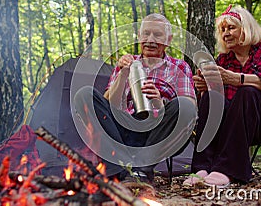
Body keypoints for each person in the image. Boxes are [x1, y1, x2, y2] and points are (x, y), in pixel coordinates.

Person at [74, 13, 197, 183]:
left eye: (158, 35)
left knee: (184, 105)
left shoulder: (179, 67)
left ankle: (141, 168)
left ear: (168, 40)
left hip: (158, 131)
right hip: (123, 128)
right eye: (146, 33)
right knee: (85, 94)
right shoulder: (128, 63)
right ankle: (121, 167)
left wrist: (160, 103)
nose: (150, 39)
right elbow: (108, 103)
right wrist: (123, 74)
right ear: (139, 37)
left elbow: (190, 106)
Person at [183, 5, 261, 186]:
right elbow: (219, 109)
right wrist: (205, 88)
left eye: (231, 28)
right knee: (212, 98)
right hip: (237, 126)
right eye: (223, 30)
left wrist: (236, 79)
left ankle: (228, 170)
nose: (226, 33)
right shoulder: (223, 60)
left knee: (248, 91)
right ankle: (202, 168)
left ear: (246, 28)